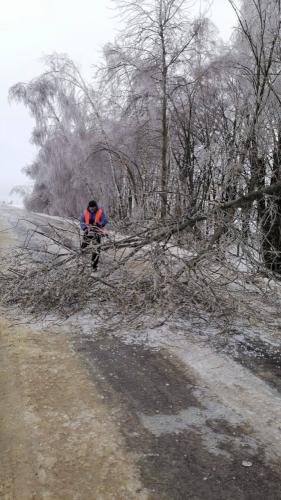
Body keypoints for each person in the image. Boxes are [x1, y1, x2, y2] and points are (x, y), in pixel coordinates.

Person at [80, 200, 107, 270]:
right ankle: (81, 262)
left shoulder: (100, 212)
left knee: (96, 249)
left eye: (93, 208)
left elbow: (104, 220)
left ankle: (94, 266)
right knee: (83, 248)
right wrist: (84, 228)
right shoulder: (85, 212)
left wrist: (99, 224)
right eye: (91, 208)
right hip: (87, 232)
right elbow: (82, 222)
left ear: (95, 207)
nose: (92, 209)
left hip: (97, 232)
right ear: (89, 207)